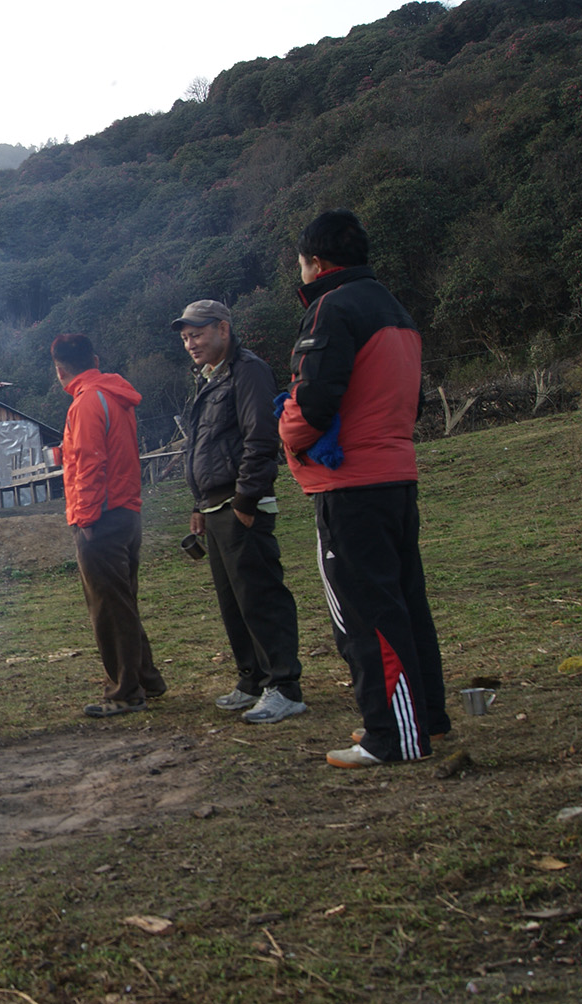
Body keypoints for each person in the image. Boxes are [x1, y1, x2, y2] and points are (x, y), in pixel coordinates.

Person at [279, 209, 450, 768]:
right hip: (396, 473)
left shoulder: (333, 308)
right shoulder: (394, 308)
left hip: (351, 483)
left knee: (364, 611)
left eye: (302, 265)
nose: (301, 275)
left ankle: (392, 736)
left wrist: (288, 433)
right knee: (404, 600)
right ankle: (427, 717)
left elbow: (316, 397)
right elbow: (412, 399)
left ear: (318, 263)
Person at [174, 299, 306, 725]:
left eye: (198, 333)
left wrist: (247, 500)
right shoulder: (209, 378)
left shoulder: (246, 370)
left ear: (223, 330)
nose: (190, 342)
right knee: (234, 602)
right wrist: (198, 503)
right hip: (214, 505)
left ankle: (284, 686)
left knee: (261, 596)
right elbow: (205, 445)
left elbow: (261, 438)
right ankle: (252, 679)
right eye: (186, 336)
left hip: (239, 504)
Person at [51, 335, 166, 717]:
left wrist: (85, 517)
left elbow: (90, 463)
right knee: (123, 600)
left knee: (108, 607)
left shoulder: (85, 403)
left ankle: (125, 692)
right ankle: (146, 678)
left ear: (60, 370)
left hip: (101, 517)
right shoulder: (115, 397)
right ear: (95, 360)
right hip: (128, 511)